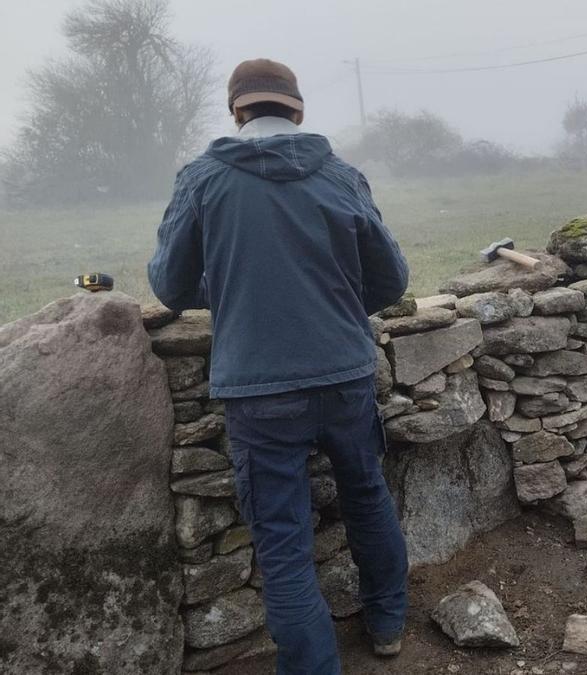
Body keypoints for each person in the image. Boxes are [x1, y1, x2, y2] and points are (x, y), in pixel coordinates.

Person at [148, 58, 410, 674]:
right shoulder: (341, 176)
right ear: (297, 109)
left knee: (284, 545)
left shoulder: (204, 180)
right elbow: (391, 279)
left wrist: (231, 292)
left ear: (236, 111)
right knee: (368, 496)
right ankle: (389, 624)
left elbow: (169, 284)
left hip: (257, 389)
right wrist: (338, 307)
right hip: (346, 373)